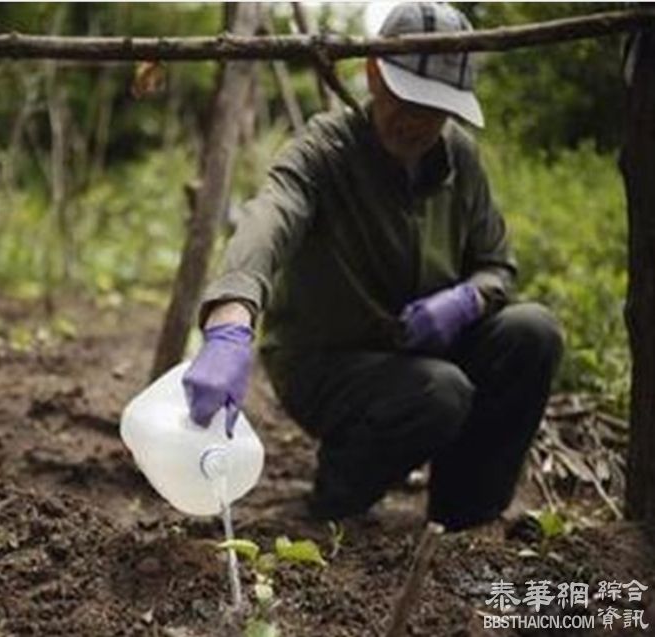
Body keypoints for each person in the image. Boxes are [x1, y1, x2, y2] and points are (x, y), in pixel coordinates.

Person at [181, 2, 563, 532]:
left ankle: (464, 514)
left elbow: (495, 264)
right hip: (330, 362)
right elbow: (269, 217)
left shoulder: (459, 158)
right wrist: (230, 318)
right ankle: (336, 499)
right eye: (408, 100)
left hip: (425, 350)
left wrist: (468, 299)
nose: (418, 122)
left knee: (532, 332)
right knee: (439, 391)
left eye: (436, 109)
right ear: (375, 74)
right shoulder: (326, 150)